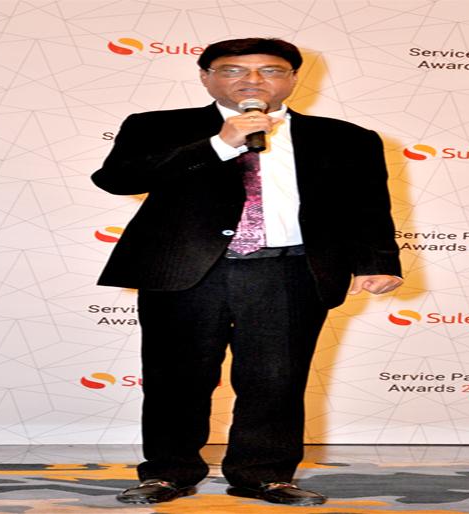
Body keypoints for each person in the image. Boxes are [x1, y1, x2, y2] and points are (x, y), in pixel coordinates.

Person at [91, 37, 403, 506]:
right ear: (206, 77)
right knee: (176, 379)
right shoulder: (155, 126)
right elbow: (118, 179)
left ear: (292, 79)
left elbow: (367, 206)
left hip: (289, 271)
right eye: (234, 70)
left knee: (277, 379)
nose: (253, 80)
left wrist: (377, 262)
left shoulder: (347, 138)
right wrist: (221, 143)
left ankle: (263, 474)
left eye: (270, 70)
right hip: (188, 273)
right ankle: (168, 473)